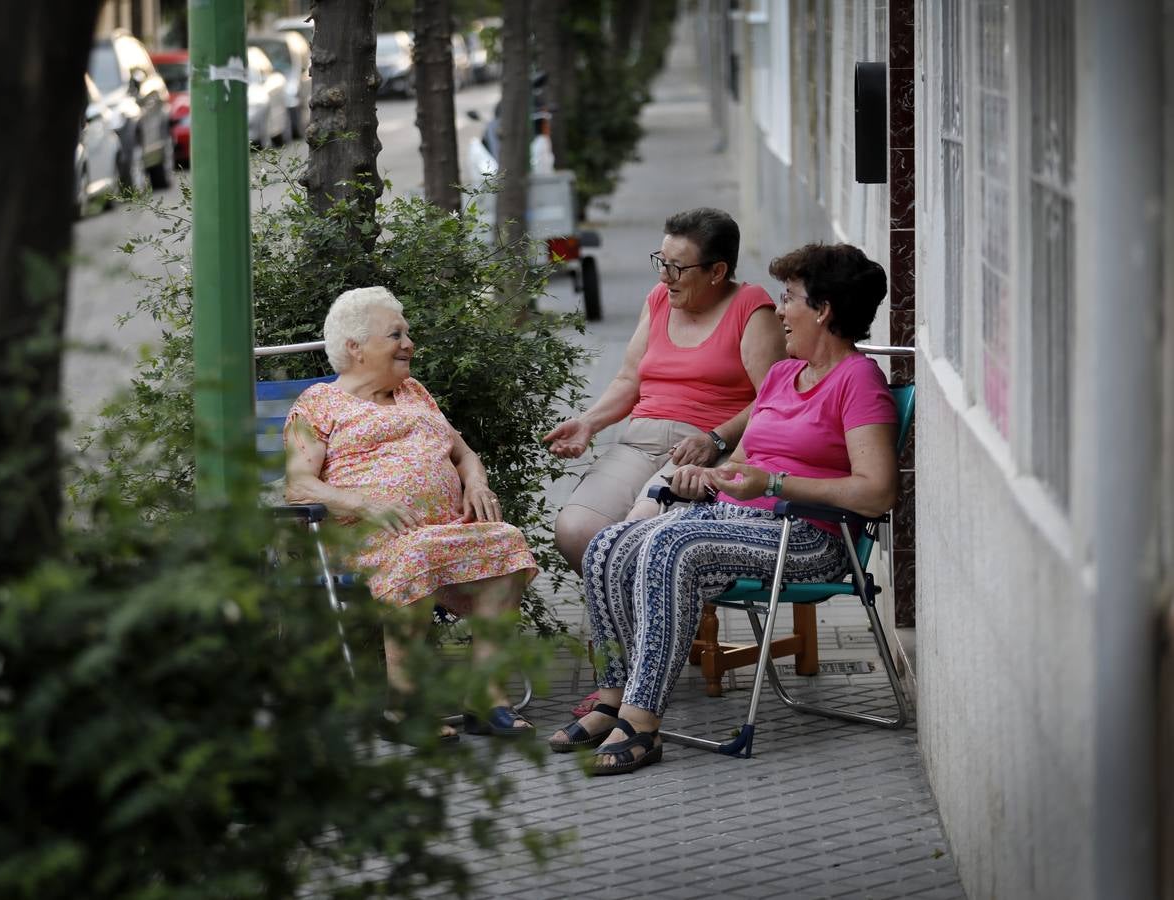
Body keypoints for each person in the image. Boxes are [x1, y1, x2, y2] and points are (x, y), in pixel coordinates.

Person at [547, 243, 900, 775]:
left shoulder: (858, 381)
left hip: (807, 538)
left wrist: (777, 482)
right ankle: (611, 695)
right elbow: (742, 462)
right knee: (607, 545)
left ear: (823, 310)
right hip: (738, 522)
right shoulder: (784, 376)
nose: (780, 310)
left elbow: (877, 493)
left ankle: (642, 724)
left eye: (790, 298)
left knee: (670, 546)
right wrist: (709, 477)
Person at [284, 286, 538, 741]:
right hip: (366, 537)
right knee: (416, 550)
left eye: (407, 333)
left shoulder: (415, 392)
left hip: (439, 532)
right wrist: (364, 501)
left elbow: (465, 454)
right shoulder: (317, 404)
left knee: (507, 541)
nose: (408, 344)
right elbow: (298, 484)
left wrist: (476, 481)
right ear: (355, 348)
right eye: (395, 334)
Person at [543, 207, 786, 574]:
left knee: (639, 533)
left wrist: (716, 440)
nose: (664, 275)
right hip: (640, 441)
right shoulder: (658, 299)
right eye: (661, 260)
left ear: (717, 271)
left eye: (677, 267)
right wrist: (589, 423)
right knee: (575, 531)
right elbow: (628, 380)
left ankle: (652, 627)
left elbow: (772, 399)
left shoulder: (752, 309)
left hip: (705, 449)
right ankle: (634, 624)